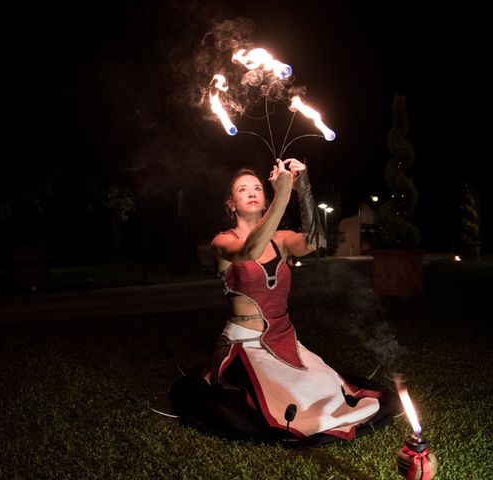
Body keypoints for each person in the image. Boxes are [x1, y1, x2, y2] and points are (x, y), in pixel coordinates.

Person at [170, 159, 397, 445]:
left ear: (265, 199)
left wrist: (303, 189)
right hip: (246, 345)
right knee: (287, 402)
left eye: (257, 188)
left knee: (327, 386)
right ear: (231, 204)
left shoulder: (281, 239)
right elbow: (251, 250)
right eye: (242, 190)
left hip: (285, 338)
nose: (252, 192)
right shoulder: (223, 242)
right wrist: (282, 196)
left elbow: (316, 241)